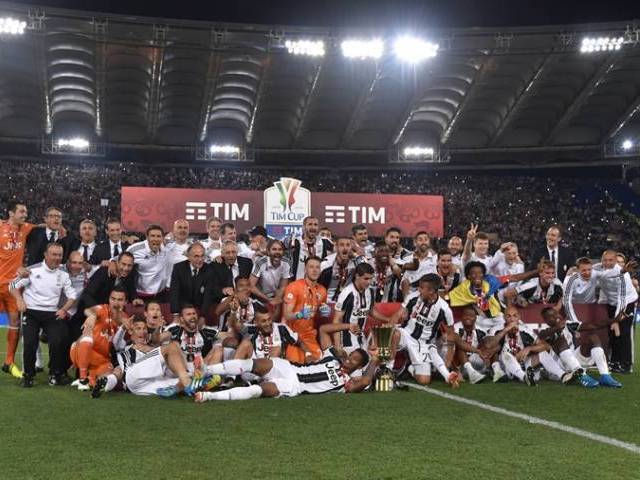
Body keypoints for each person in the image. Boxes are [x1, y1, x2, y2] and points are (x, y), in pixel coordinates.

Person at [194, 322, 375, 401]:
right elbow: (324, 330)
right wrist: (348, 326)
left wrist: (375, 361)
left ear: (359, 366)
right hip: (289, 367)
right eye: (351, 356)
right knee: (255, 364)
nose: (349, 359)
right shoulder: (333, 358)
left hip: (294, 385)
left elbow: (366, 380)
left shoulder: (346, 385)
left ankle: (209, 396)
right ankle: (206, 370)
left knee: (258, 391)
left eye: (355, 360)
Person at [10, 243, 77, 386]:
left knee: (57, 342)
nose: (57, 258)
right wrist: (19, 299)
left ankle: (55, 374)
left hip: (52, 313)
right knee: (29, 343)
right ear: (45, 255)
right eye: (54, 254)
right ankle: (28, 375)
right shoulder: (32, 270)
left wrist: (64, 309)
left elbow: (72, 295)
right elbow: (13, 286)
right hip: (31, 311)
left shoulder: (64, 275)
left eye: (59, 255)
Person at [91, 316, 195, 398]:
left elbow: (156, 340)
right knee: (172, 347)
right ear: (131, 331)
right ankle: (186, 378)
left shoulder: (153, 348)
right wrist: (123, 328)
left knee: (190, 382)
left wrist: (158, 329)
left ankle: (184, 383)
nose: (143, 331)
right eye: (138, 328)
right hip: (132, 374)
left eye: (145, 328)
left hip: (144, 386)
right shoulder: (125, 346)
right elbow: (115, 342)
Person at [388, 274, 460, 387]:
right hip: (406, 334)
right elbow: (398, 314)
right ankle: (388, 370)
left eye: (422, 288)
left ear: (431, 291)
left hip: (423, 344)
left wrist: (449, 361)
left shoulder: (444, 309)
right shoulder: (413, 297)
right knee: (395, 333)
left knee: (424, 381)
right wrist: (386, 330)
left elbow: (451, 334)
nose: (418, 290)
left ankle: (410, 368)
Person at [539, 307, 623, 388]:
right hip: (560, 367)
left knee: (593, 337)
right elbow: (542, 335)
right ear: (546, 320)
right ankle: (582, 375)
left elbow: (593, 325)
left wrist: (614, 320)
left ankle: (605, 376)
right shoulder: (545, 330)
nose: (556, 317)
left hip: (573, 359)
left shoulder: (568, 325)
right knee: (560, 339)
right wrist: (557, 328)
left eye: (556, 314)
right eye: (551, 316)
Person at [0, 200, 35, 378]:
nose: (25, 214)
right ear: (11, 213)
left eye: (26, 212)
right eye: (21, 211)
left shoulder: (26, 228)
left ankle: (9, 361)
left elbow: (45, 225)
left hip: (13, 286)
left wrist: (60, 228)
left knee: (15, 323)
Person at [69, 286, 128, 389]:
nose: (116, 302)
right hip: (83, 350)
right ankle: (83, 379)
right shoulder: (102, 309)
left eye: (120, 300)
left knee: (106, 382)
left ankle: (91, 379)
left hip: (102, 359)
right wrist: (92, 316)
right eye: (113, 299)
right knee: (87, 339)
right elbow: (88, 310)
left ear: (126, 302)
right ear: (109, 299)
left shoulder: (125, 319)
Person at [594, 250, 639, 373]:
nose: (607, 262)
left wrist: (616, 319)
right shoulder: (597, 268)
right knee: (612, 334)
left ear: (615, 261)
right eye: (605, 260)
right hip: (611, 303)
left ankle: (626, 364)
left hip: (627, 303)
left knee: (624, 333)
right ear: (601, 260)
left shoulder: (623, 276)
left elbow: (622, 299)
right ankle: (614, 362)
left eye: (611, 260)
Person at [332, 263, 390, 356]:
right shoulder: (347, 293)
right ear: (357, 276)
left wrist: (388, 320)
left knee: (382, 352)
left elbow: (371, 311)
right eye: (366, 279)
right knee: (361, 364)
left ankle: (388, 367)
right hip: (347, 337)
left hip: (361, 336)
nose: (369, 282)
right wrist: (338, 346)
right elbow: (336, 319)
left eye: (371, 278)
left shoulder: (370, 291)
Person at [282, 256, 331, 363]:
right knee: (296, 365)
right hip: (292, 334)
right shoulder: (294, 286)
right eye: (311, 267)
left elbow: (318, 315)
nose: (314, 270)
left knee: (318, 363)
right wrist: (299, 315)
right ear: (305, 269)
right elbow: (287, 315)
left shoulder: (322, 290)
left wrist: (324, 313)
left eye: (317, 267)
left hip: (309, 335)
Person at [127, 224, 174, 302]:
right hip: (140, 296)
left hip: (160, 295)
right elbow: (120, 259)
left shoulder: (166, 249)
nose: (155, 239)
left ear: (162, 238)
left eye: (158, 236)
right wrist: (112, 261)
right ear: (147, 237)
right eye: (152, 236)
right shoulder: (135, 249)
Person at [169, 242, 213, 325]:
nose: (200, 259)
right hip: (181, 308)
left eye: (202, 256)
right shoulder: (178, 268)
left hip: (199, 309)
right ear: (188, 257)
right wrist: (176, 315)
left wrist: (203, 316)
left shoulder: (208, 269)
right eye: (196, 256)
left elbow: (208, 295)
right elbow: (174, 292)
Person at [250, 239, 291, 313]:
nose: (277, 252)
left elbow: (283, 286)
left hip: (276, 297)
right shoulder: (260, 262)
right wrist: (267, 299)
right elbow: (251, 286)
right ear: (268, 252)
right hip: (260, 297)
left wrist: (276, 300)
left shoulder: (286, 262)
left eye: (280, 249)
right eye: (274, 249)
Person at [319, 236, 363, 301]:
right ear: (336, 247)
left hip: (346, 302)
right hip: (327, 302)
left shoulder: (355, 263)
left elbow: (367, 270)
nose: (345, 248)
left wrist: (356, 255)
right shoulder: (327, 264)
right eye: (342, 245)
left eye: (348, 245)